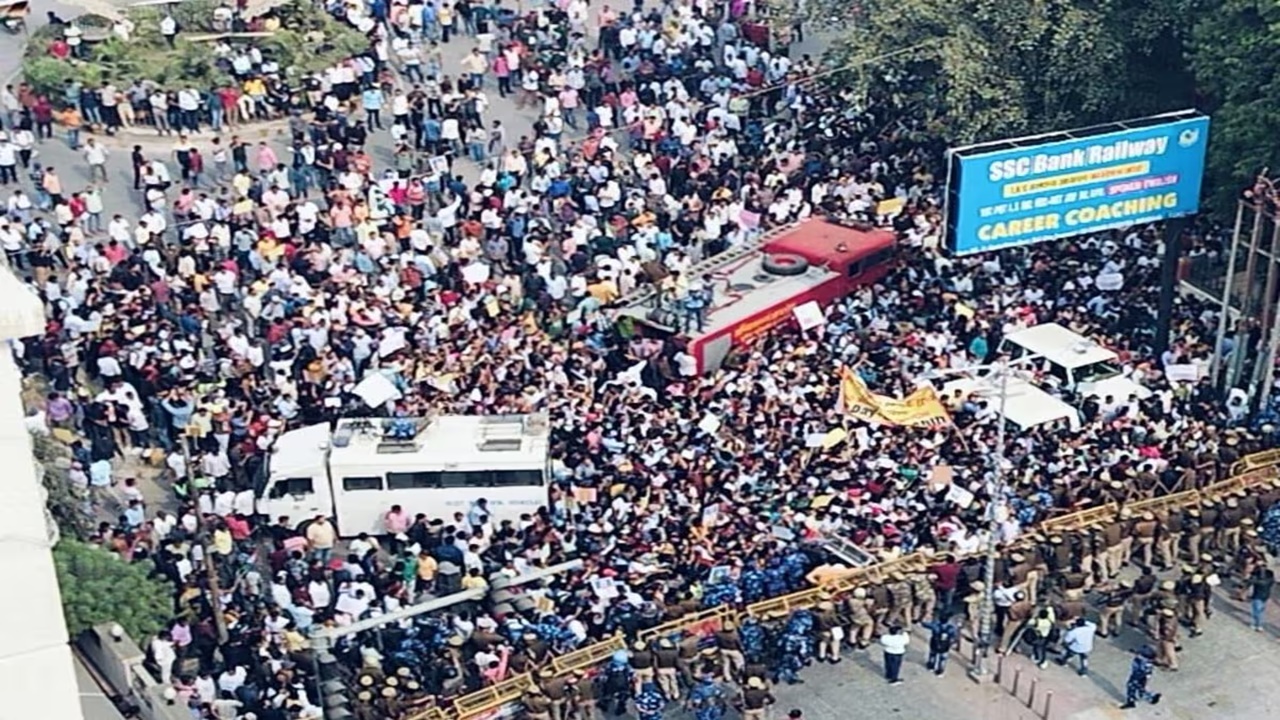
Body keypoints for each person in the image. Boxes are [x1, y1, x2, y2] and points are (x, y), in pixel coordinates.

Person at [1249, 564, 1275, 631]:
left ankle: (1257, 624)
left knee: (1257, 610)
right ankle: (1258, 624)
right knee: (1259, 610)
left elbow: (1253, 582)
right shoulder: (1269, 575)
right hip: (1264, 595)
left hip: (1258, 595)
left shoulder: (1257, 575)